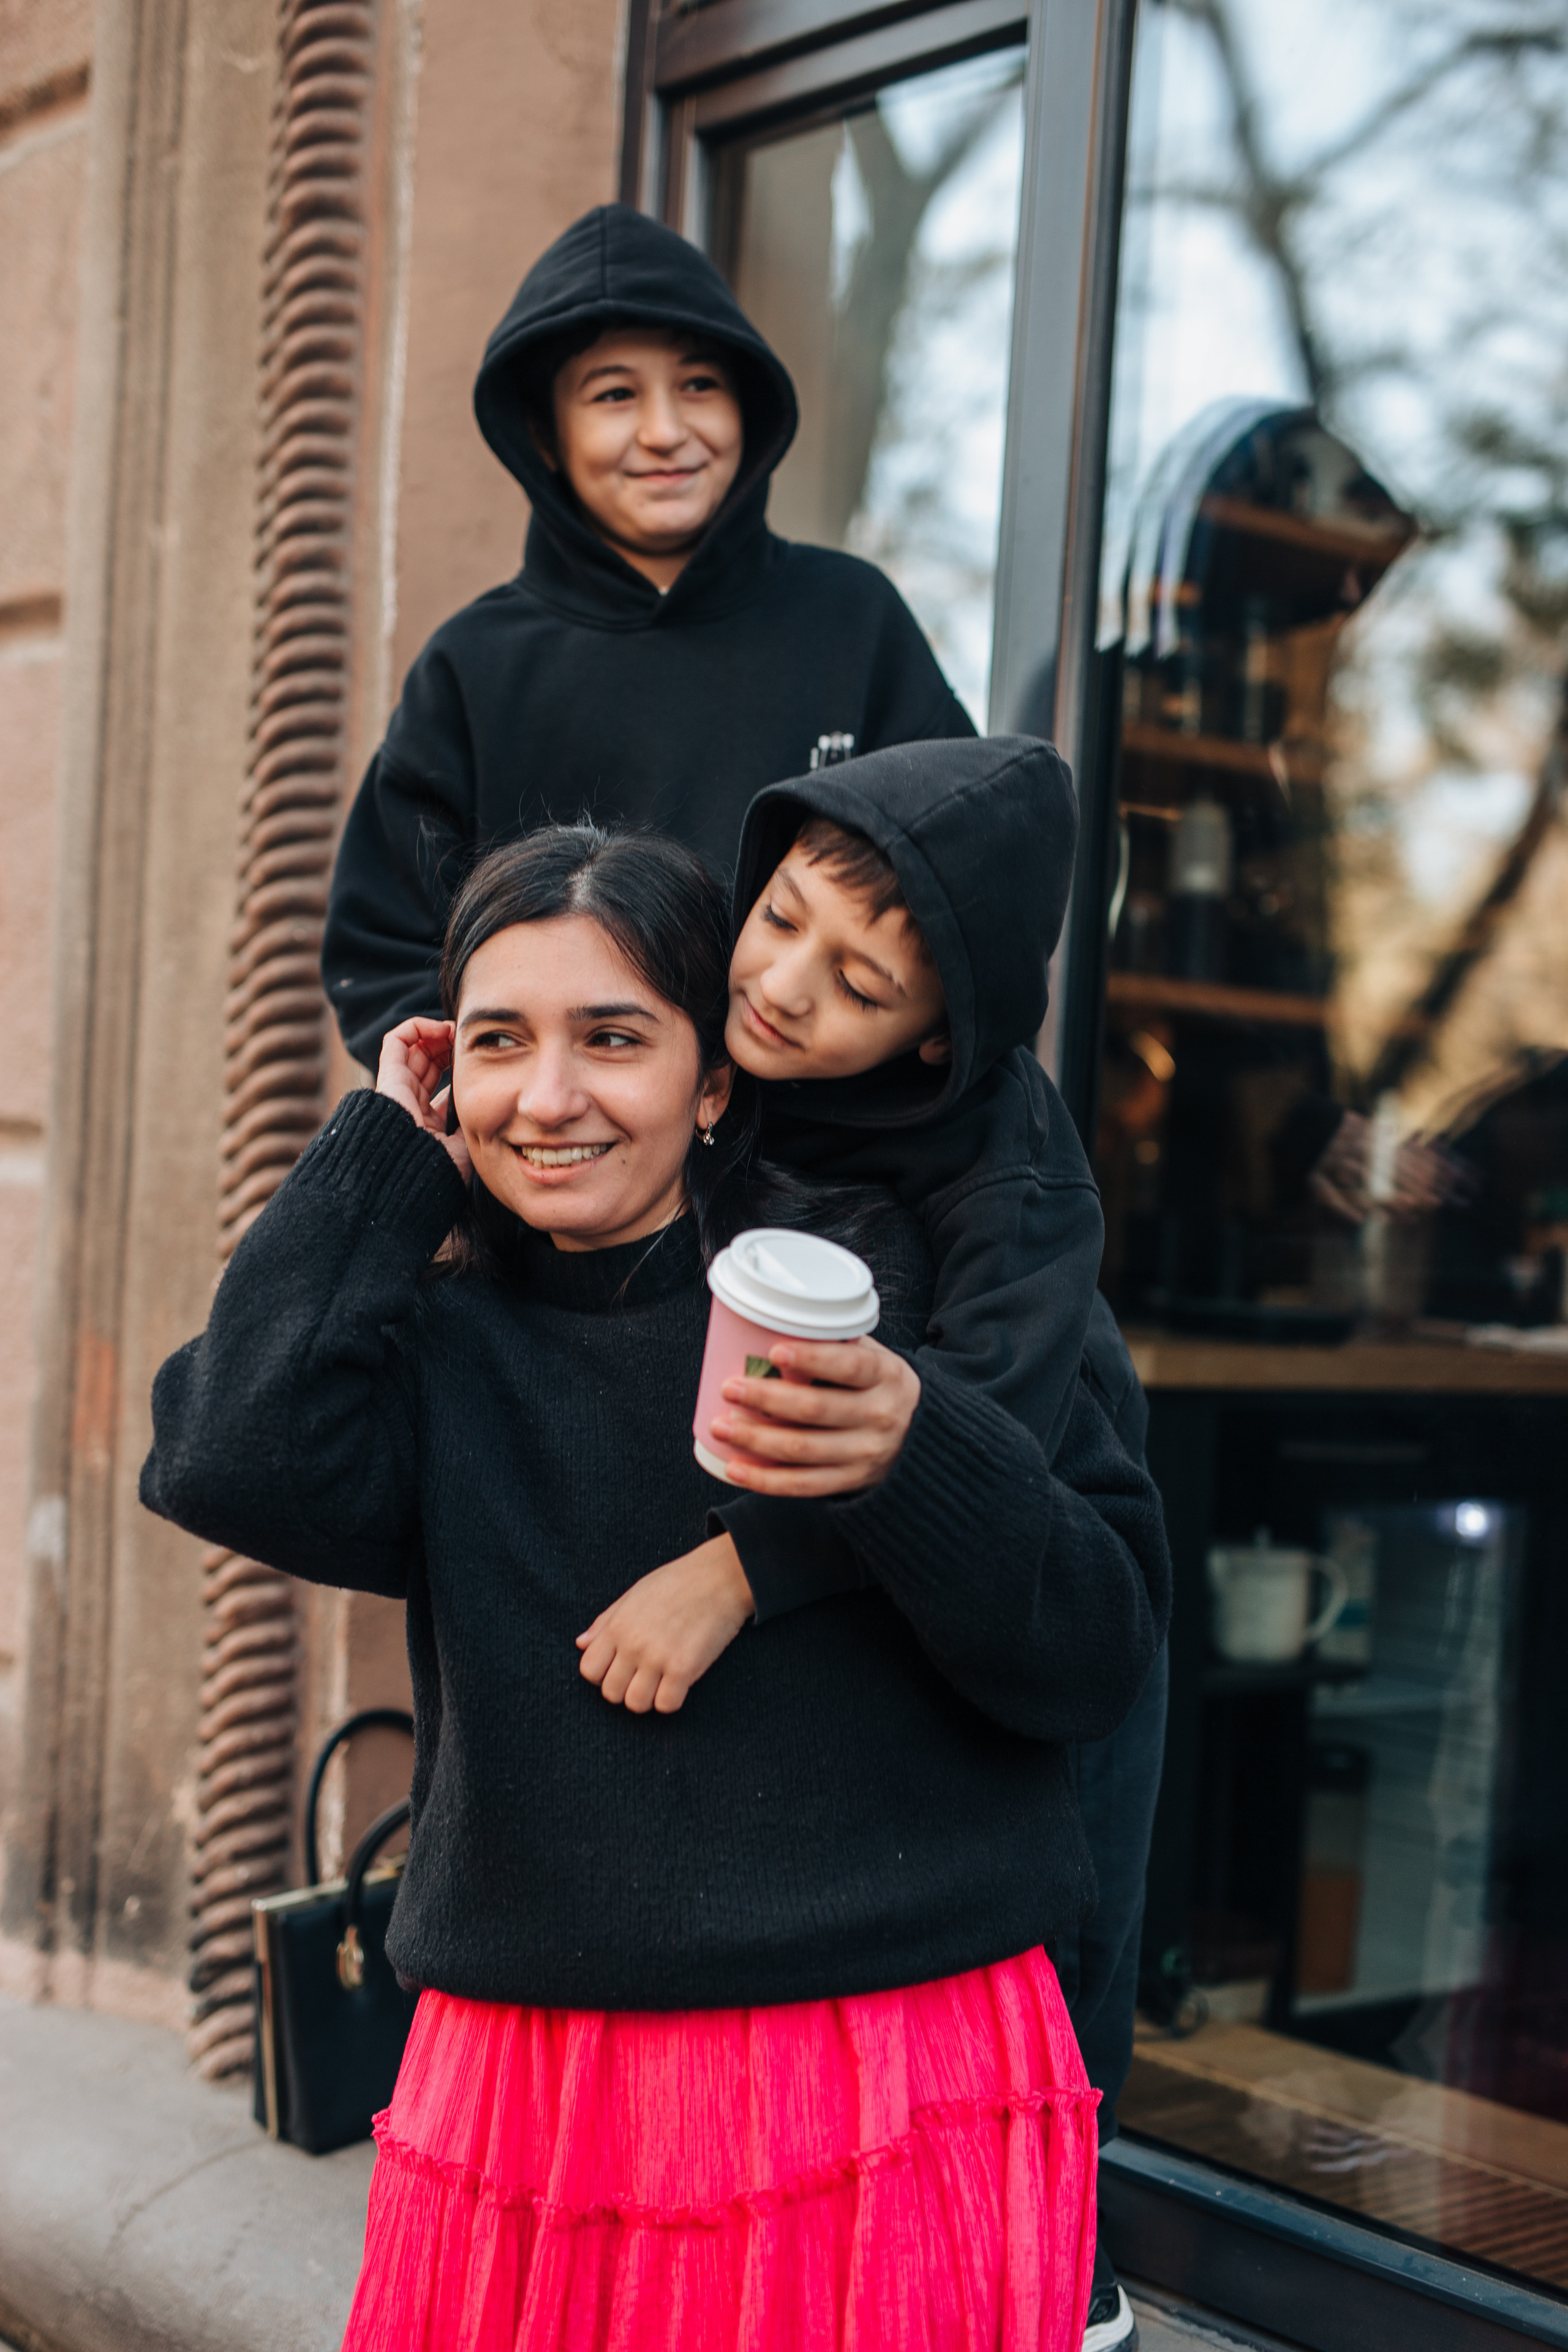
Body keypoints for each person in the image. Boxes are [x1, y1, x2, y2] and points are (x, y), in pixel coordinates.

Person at [143, 824, 1170, 2351]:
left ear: (711, 1083)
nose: (546, 1098)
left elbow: (1091, 1650)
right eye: (497, 1042)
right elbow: (225, 1454)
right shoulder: (436, 1347)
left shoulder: (896, 1293)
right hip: (533, 2094)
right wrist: (380, 1150)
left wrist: (908, 1448)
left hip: (881, 2069)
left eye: (611, 1038)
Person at [320, 200, 974, 1066]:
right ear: (546, 438)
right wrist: (515, 1111)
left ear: (748, 404)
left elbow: (958, 899)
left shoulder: (853, 618)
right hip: (563, 1174)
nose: (666, 432)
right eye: (615, 394)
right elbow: (386, 951)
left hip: (818, 1178)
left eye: (698, 385)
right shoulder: (474, 667)